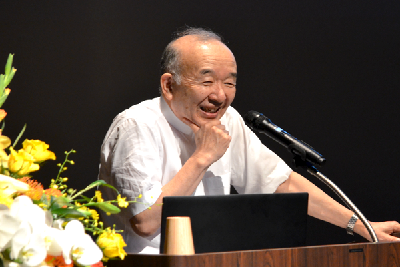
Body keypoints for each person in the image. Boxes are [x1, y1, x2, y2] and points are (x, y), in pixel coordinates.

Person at [98, 27, 400, 254]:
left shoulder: (228, 121)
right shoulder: (137, 125)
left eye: (229, 82)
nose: (220, 95)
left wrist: (361, 226)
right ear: (169, 84)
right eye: (207, 81)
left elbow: (281, 182)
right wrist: (202, 158)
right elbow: (146, 222)